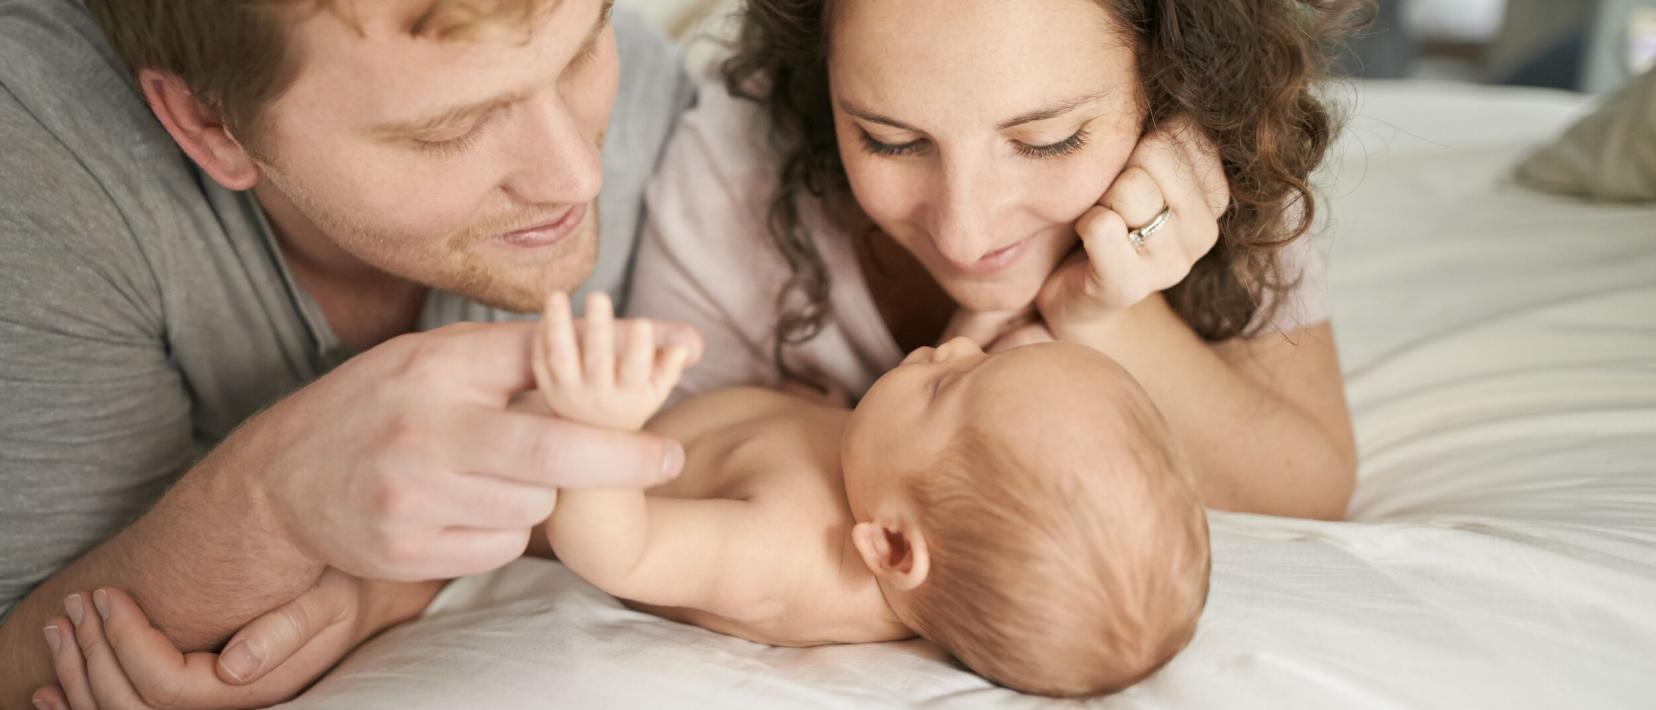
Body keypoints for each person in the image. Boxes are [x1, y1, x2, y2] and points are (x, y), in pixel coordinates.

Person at [0, 0, 700, 707]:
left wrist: (385, 586)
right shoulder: (36, 153)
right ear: (210, 124)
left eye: (582, 52)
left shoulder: (631, 75)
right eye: (446, 128)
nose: (577, 177)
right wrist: (274, 502)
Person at [630, 0, 1361, 520]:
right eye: (889, 140)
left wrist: (1101, 318)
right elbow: (644, 470)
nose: (964, 235)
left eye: (1048, 141)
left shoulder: (1229, 157)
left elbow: (1309, 485)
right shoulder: (738, 163)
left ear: (1180, 85)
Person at [536, 292, 1210, 697]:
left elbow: (622, 552)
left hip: (549, 484)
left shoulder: (788, 555)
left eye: (948, 386)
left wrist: (597, 432)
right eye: (988, 357)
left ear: (889, 546)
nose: (957, 348)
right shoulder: (895, 488)